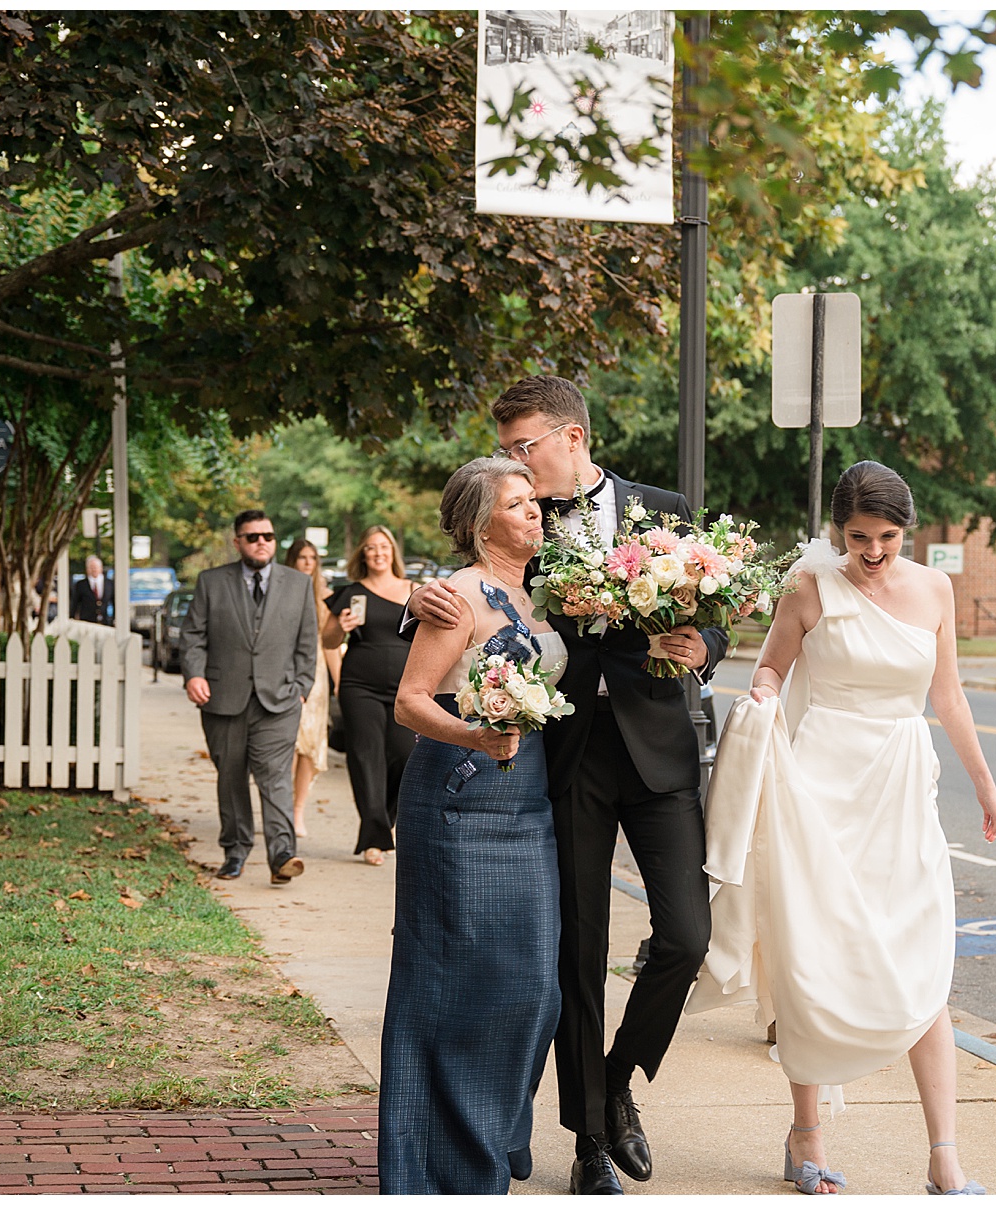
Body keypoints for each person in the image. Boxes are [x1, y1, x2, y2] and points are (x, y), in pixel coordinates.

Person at [409, 375, 726, 1194]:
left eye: (525, 446)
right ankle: (589, 1138)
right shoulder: (523, 522)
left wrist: (706, 644)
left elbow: (716, 604)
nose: (515, 461)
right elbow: (469, 582)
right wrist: (414, 595)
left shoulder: (664, 505)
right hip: (569, 756)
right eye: (509, 451)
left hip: (658, 754)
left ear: (572, 436)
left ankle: (615, 1080)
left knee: (687, 937)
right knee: (576, 954)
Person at [688, 461, 996, 1196]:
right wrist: (762, 703)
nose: (872, 552)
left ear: (908, 529)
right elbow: (769, 669)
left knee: (923, 960)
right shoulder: (808, 587)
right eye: (858, 537)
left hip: (901, 786)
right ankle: (807, 1134)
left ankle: (944, 1155)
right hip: (820, 788)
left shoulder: (934, 588)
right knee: (816, 960)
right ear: (839, 530)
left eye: (888, 537)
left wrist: (987, 788)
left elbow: (949, 695)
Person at [379, 457, 568, 1194]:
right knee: (455, 984)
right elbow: (411, 700)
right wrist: (475, 737)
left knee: (533, 989)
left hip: (530, 802)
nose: (534, 514)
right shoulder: (457, 595)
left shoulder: (544, 591)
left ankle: (489, 1135)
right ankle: (444, 1163)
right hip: (459, 799)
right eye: (517, 505)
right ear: (480, 521)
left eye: (533, 502)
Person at [179, 509, 319, 885]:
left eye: (268, 536)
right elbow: (193, 636)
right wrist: (194, 675)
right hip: (223, 698)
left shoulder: (298, 584)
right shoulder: (211, 582)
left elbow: (307, 643)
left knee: (275, 778)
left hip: (280, 701)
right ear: (237, 541)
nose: (262, 542)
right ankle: (235, 851)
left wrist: (302, 688)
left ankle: (282, 855)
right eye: (253, 536)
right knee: (231, 778)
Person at [323, 525, 416, 866]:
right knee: (365, 759)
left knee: (404, 755)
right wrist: (341, 627)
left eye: (383, 547)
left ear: (393, 552)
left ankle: (383, 822)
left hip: (405, 687)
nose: (378, 553)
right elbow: (329, 641)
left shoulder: (413, 591)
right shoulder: (351, 592)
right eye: (371, 548)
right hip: (359, 686)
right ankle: (374, 837)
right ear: (362, 554)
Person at [284, 538, 338, 840]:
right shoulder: (280, 592)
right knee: (289, 742)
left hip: (316, 679)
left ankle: (298, 811)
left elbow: (330, 646)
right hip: (286, 673)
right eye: (302, 557)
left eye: (312, 558)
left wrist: (339, 680)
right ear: (292, 560)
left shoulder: (326, 597)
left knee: (309, 745)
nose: (308, 562)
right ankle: (279, 807)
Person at [71, 555, 113, 624]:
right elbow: (75, 604)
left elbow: (114, 602)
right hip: (87, 622)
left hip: (105, 621)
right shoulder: (80, 585)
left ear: (101, 568)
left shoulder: (109, 584)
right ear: (87, 569)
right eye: (91, 567)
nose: (94, 570)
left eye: (96, 567)